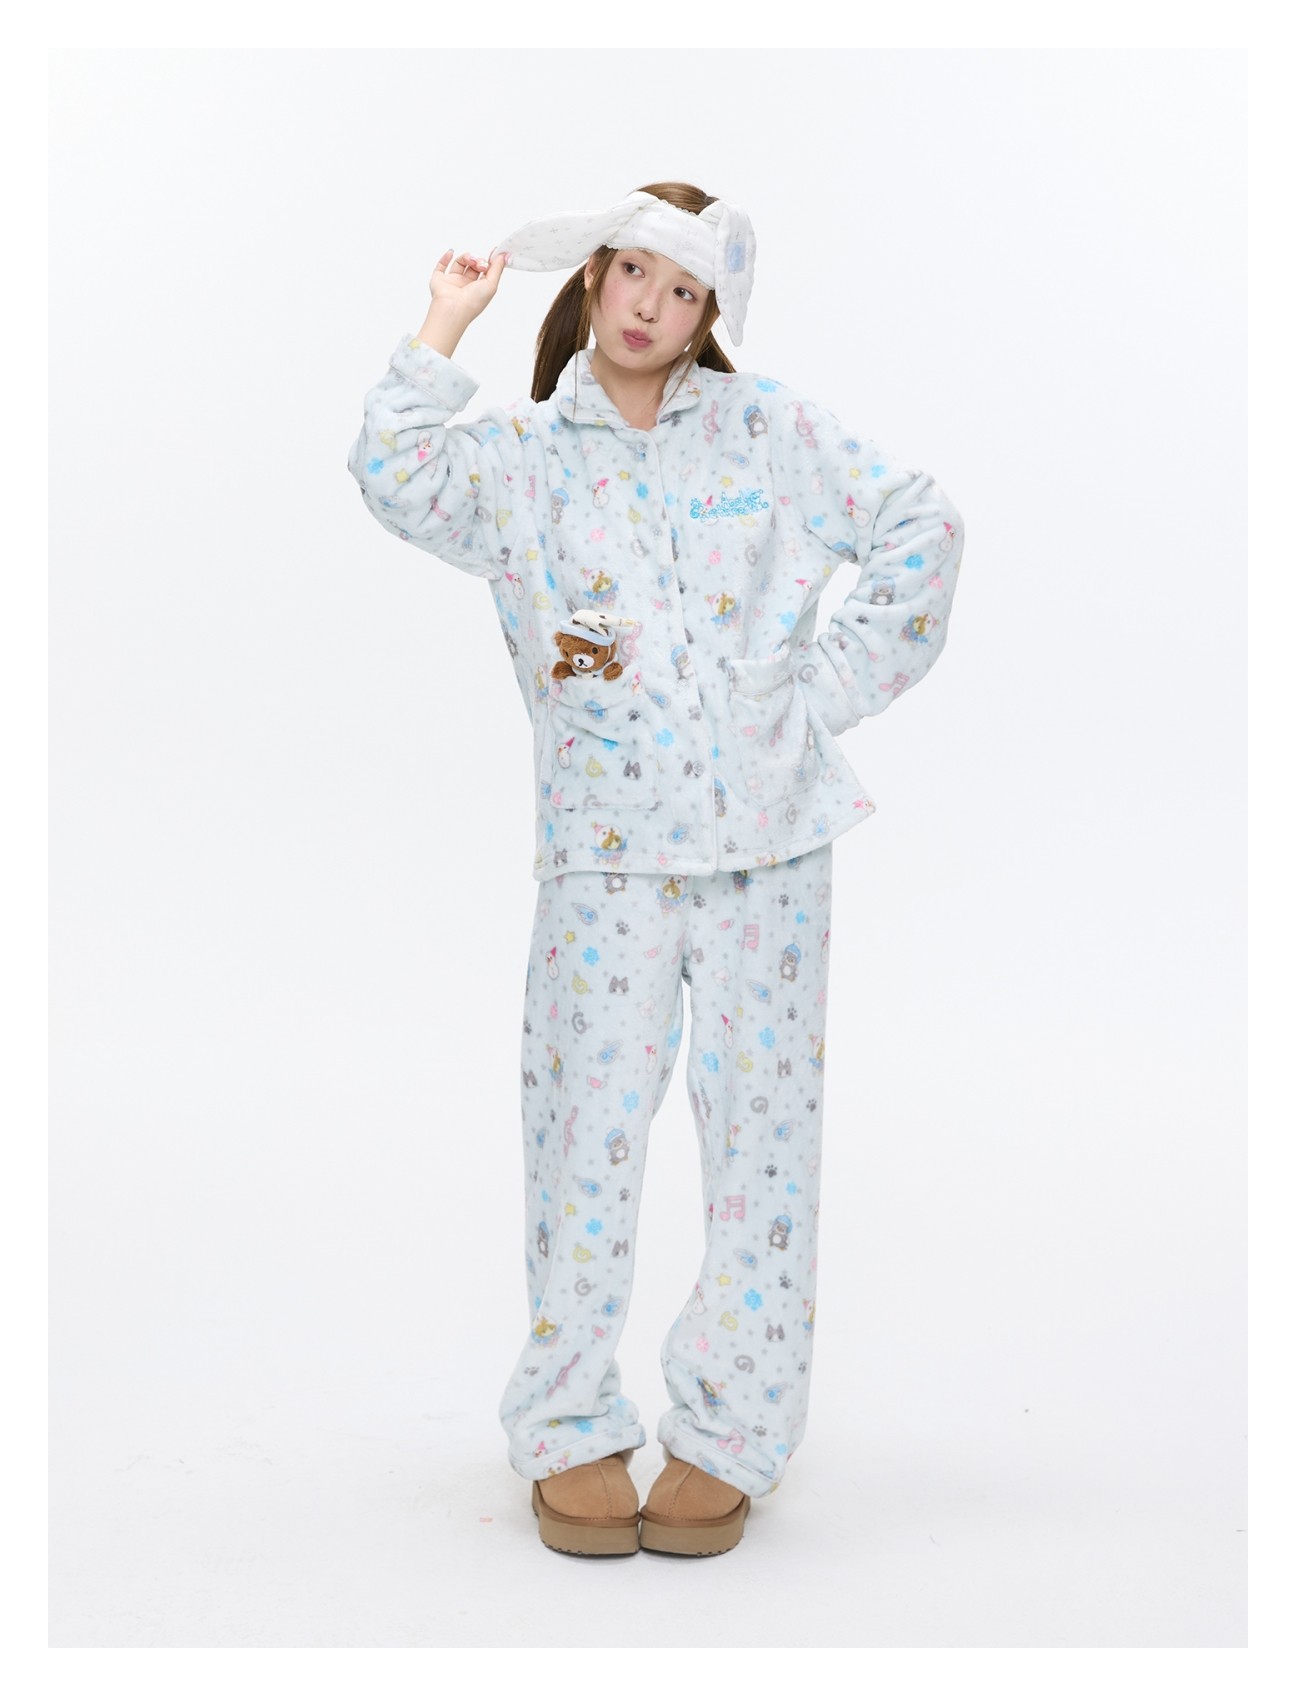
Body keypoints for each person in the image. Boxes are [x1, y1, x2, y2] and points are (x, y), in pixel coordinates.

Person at [346, 180, 963, 1558]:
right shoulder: (520, 462)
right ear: (593, 277)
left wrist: (813, 695)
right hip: (606, 860)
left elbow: (924, 525)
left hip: (769, 853)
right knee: (584, 1140)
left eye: (685, 292)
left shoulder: (769, 429)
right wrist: (445, 322)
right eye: (635, 273)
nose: (650, 307)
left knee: (763, 1154)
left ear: (707, 316)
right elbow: (392, 474)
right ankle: (569, 1424)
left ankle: (733, 1434)